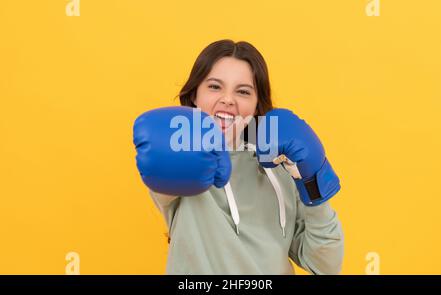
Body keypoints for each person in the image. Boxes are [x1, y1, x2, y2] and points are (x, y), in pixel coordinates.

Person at [133, 39, 344, 275]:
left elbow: (324, 266)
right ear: (195, 96)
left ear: (256, 105)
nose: (227, 100)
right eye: (215, 87)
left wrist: (312, 181)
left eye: (243, 91)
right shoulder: (179, 153)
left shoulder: (280, 164)